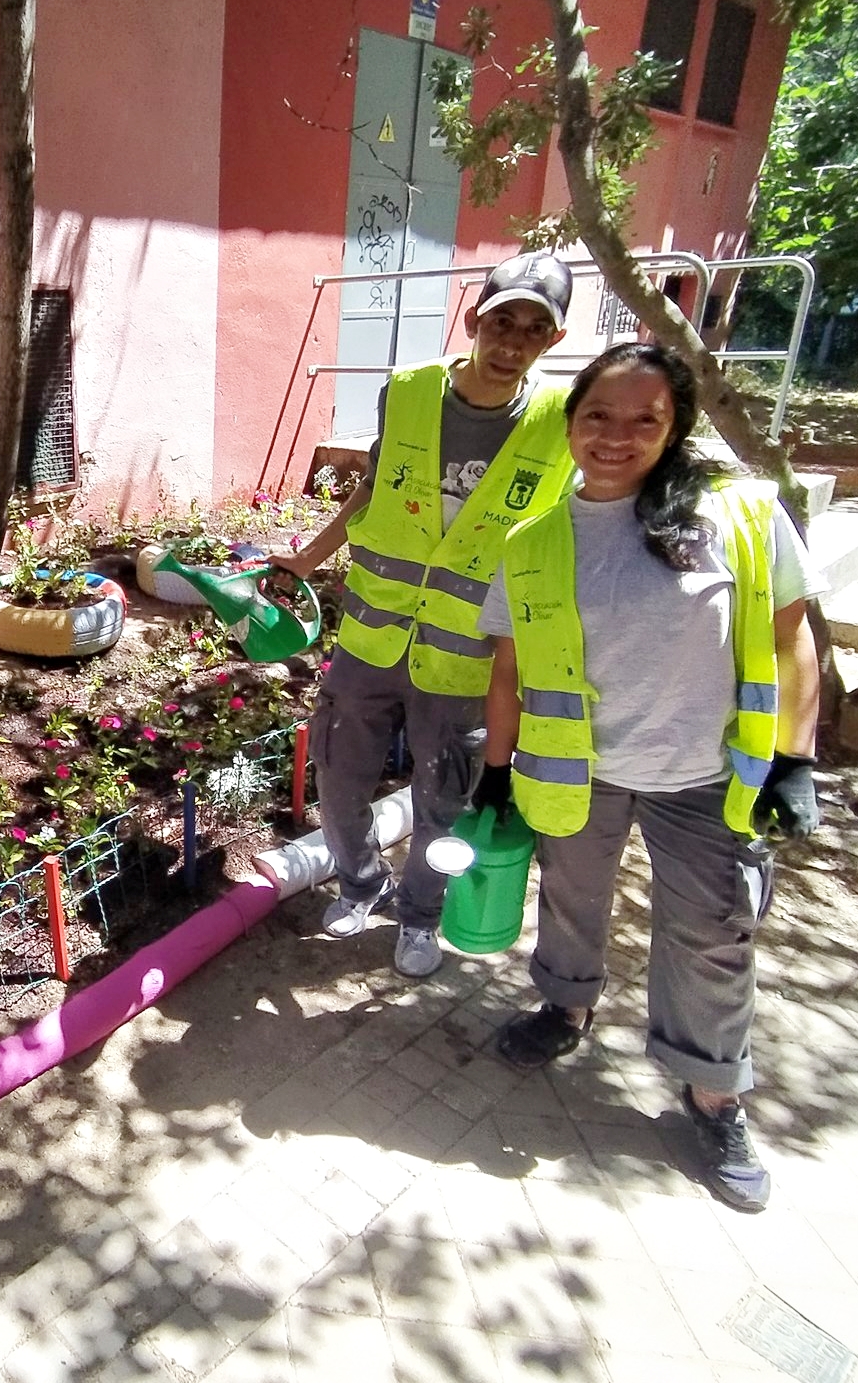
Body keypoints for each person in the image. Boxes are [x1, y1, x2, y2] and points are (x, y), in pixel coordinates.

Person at [475, 341, 823, 1212]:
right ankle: (565, 1009)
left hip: (708, 777)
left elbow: (790, 641)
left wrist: (793, 759)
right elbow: (510, 671)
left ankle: (713, 1093)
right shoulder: (535, 540)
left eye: (645, 420)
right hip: (577, 775)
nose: (617, 436)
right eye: (598, 415)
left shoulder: (739, 515)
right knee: (569, 901)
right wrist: (493, 771)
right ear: (570, 424)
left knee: (712, 935)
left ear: (674, 430)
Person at [273, 252, 576, 978]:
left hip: (466, 655)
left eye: (534, 331)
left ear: (551, 343)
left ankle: (420, 916)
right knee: (340, 783)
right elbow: (375, 489)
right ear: (476, 321)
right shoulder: (408, 391)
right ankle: (361, 886)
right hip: (372, 640)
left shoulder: (562, 424)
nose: (512, 343)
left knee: (445, 800)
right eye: (502, 322)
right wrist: (308, 559)